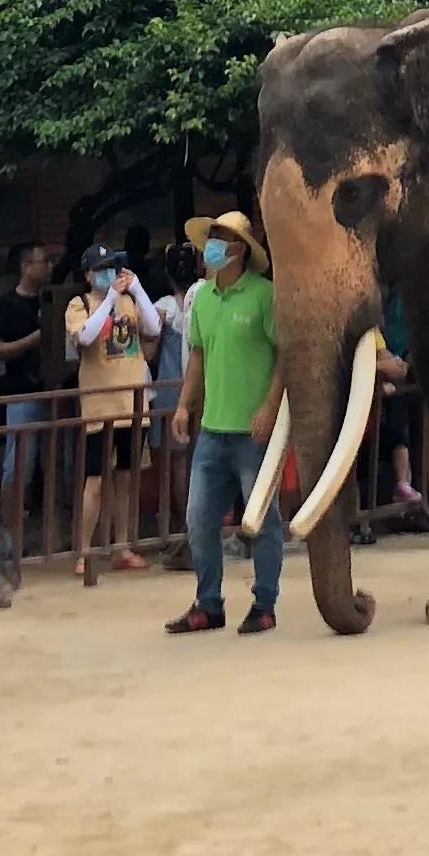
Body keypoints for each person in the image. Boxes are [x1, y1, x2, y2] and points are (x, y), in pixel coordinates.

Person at [166, 213, 284, 634]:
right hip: (213, 430)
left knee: (262, 519)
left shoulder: (265, 296)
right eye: (211, 238)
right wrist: (184, 406)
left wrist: (270, 408)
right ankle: (208, 603)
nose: (211, 246)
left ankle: (264, 604)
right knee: (199, 519)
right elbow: (197, 355)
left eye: (221, 238)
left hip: (253, 432)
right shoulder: (204, 300)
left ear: (240, 250)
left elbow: (285, 354)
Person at [62, 244, 161, 582]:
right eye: (101, 269)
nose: (108, 274)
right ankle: (84, 551)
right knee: (95, 481)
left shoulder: (129, 301)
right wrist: (108, 300)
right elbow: (85, 337)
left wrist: (137, 288)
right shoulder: (79, 304)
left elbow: (153, 328)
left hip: (133, 405)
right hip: (100, 407)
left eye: (112, 268)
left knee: (126, 478)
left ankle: (122, 547)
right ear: (88, 274)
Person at [0, 240, 60, 536]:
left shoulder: (53, 301)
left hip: (53, 390)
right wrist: (34, 339)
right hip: (19, 393)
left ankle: (51, 531)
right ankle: (9, 532)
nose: (49, 266)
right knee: (18, 464)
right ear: (26, 266)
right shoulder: (6, 305)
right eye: (43, 261)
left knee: (54, 464)